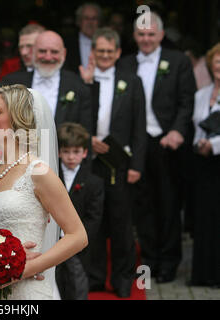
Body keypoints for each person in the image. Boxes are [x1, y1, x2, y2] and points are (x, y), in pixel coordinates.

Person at [0, 85, 88, 300]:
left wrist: (23, 270)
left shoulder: (37, 172)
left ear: (17, 118)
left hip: (25, 292)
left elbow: (78, 236)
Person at [118, 12, 196, 283]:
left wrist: (176, 130)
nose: (146, 39)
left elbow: (187, 101)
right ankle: (148, 259)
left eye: (151, 34)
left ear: (161, 35)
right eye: (141, 34)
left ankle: (168, 262)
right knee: (143, 205)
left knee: (169, 203)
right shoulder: (125, 64)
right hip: (137, 144)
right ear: (135, 36)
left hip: (166, 143)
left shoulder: (178, 62)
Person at [80, 27, 147, 297]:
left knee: (121, 223)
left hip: (120, 163)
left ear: (118, 53)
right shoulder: (83, 80)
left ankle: (122, 280)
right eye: (100, 51)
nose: (105, 55)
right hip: (89, 162)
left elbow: (139, 127)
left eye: (110, 51)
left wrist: (136, 166)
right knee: (92, 223)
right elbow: (77, 118)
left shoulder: (132, 81)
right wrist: (88, 139)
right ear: (93, 52)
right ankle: (94, 279)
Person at [1, 30, 93, 134]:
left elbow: (85, 133)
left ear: (64, 53)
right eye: (42, 51)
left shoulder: (78, 86)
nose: (48, 57)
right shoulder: (12, 84)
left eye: (54, 52)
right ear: (33, 52)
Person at [55, 122, 104, 300]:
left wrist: (78, 239)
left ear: (84, 153)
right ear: (59, 152)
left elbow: (94, 217)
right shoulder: (52, 177)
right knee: (55, 279)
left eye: (76, 152)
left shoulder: (94, 182)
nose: (70, 157)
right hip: (54, 240)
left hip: (78, 245)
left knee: (77, 282)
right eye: (66, 152)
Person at [189, 42, 220, 288]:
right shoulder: (201, 94)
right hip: (204, 165)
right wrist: (199, 144)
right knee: (205, 217)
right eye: (216, 61)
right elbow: (196, 126)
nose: (219, 66)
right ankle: (203, 273)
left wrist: (215, 145)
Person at [64, 2, 101, 74]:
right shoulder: (67, 43)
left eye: (94, 18)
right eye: (86, 18)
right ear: (78, 21)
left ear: (99, 22)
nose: (90, 22)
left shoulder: (107, 43)